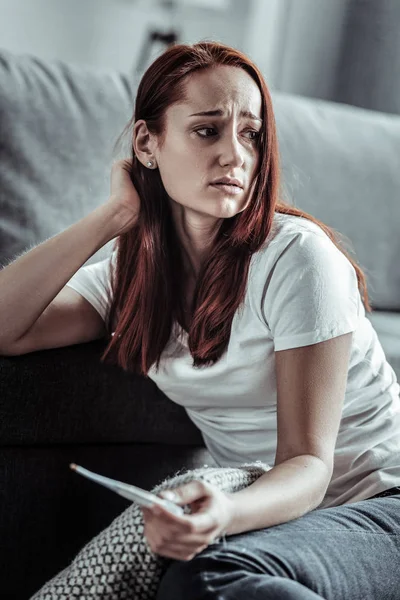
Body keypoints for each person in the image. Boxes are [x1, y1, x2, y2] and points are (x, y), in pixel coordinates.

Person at [1, 41, 400, 600]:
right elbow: (6, 327)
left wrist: (226, 513)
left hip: (381, 508)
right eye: (208, 130)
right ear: (147, 142)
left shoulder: (298, 258)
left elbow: (309, 464)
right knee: (190, 581)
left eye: (252, 134)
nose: (235, 155)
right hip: (292, 518)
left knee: (208, 578)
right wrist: (112, 216)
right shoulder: (130, 277)